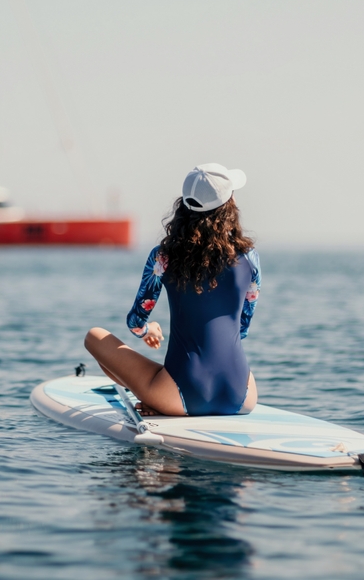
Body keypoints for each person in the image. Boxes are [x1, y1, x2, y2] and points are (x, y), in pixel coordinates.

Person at [84, 163, 261, 416]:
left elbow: (135, 322)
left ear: (184, 205)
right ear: (229, 204)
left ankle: (161, 399)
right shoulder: (250, 257)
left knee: (94, 337)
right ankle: (162, 396)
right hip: (242, 394)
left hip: (182, 394)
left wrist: (148, 331)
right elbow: (242, 326)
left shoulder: (163, 257)